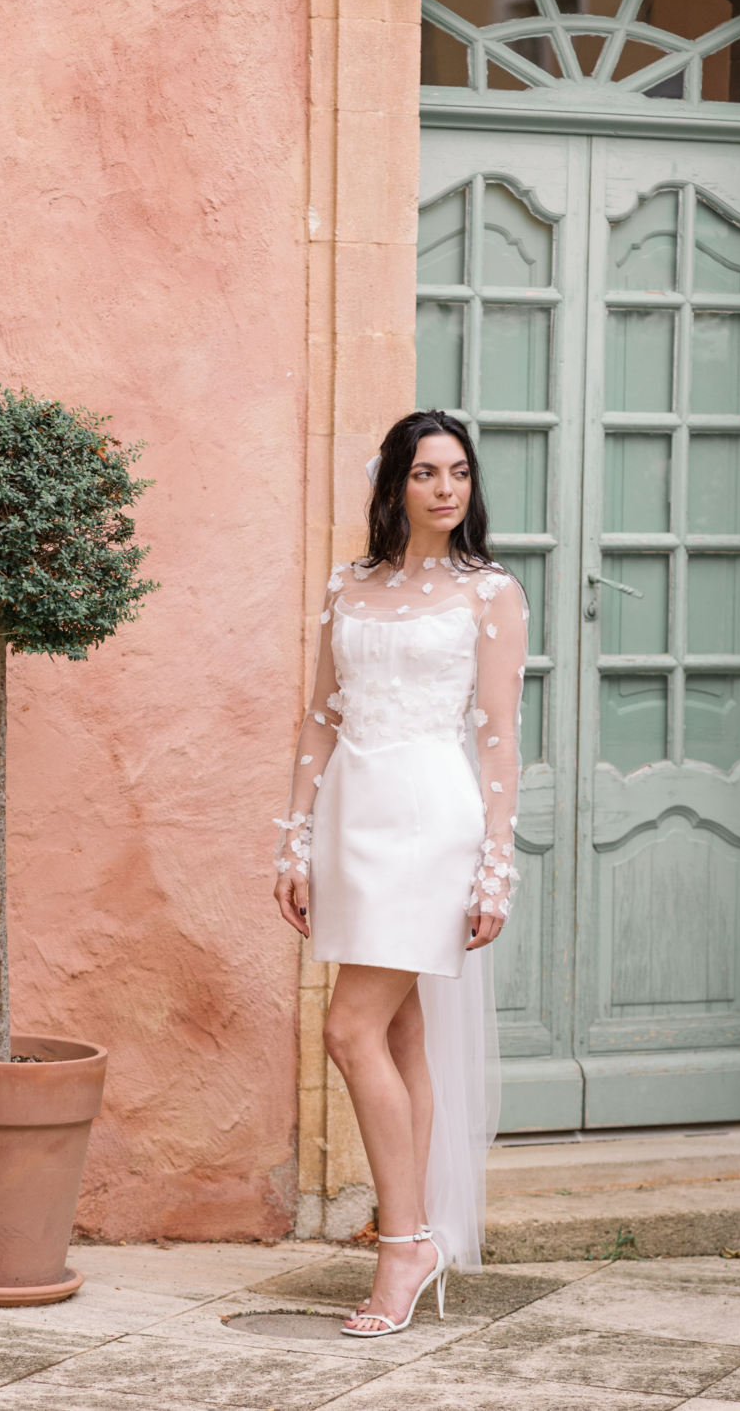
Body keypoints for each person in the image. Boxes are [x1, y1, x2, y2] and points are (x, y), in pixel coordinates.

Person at [273, 410, 527, 1339]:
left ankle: (406, 1243)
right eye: (427, 473)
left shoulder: (490, 592)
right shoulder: (350, 586)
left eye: (459, 472)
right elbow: (318, 719)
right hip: (352, 813)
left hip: (430, 819)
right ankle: (412, 1225)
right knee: (403, 1033)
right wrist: (294, 840)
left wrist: (496, 867)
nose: (447, 489)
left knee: (349, 1028)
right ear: (396, 486)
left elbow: (497, 738)